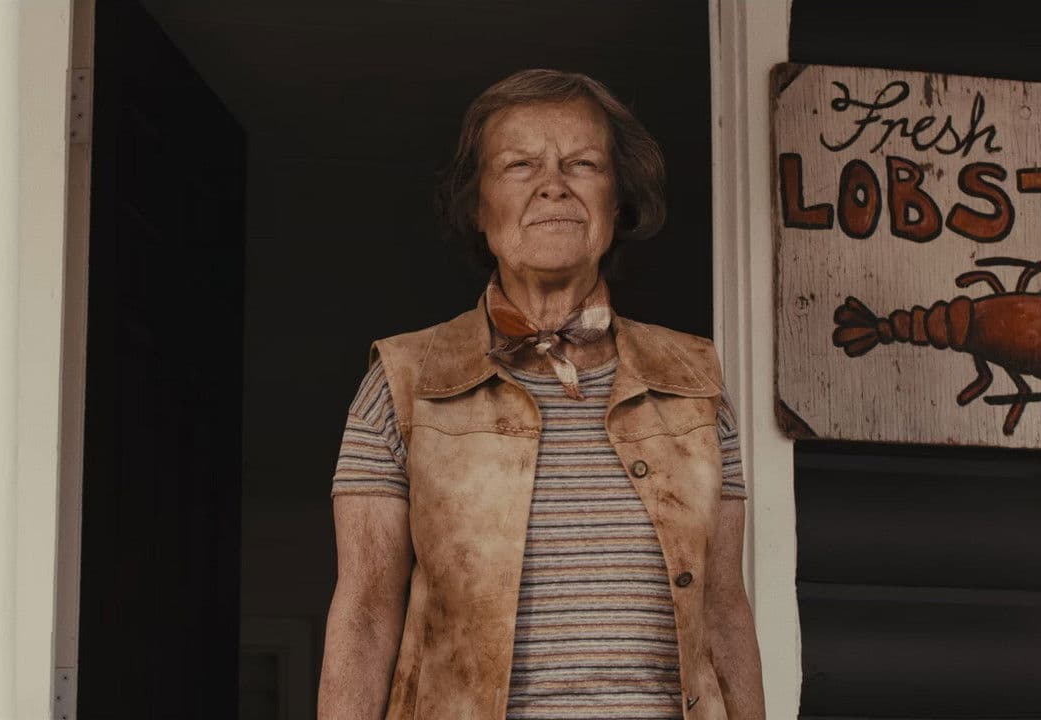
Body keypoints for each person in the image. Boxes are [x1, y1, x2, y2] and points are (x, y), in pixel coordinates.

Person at [319, 68, 765, 720]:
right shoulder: (403, 382)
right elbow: (363, 612)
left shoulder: (694, 383)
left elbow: (724, 609)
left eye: (582, 163)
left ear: (619, 200)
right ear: (477, 207)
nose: (553, 184)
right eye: (519, 164)